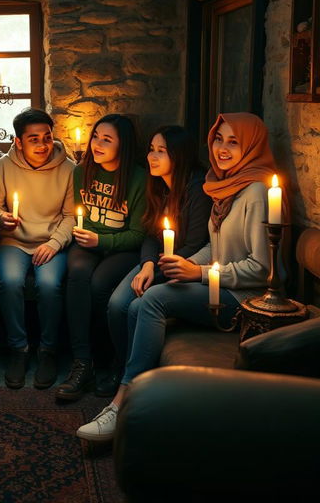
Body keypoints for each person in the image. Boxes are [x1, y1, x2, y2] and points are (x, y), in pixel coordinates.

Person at [77, 112, 283, 442]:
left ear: (253, 145)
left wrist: (194, 271)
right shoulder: (225, 186)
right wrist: (176, 267)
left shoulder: (255, 192)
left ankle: (123, 402)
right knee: (128, 305)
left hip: (245, 299)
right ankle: (138, 392)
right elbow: (211, 248)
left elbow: (262, 268)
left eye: (234, 142)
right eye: (218, 139)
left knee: (152, 299)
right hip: (213, 280)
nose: (222, 148)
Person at [104, 125, 211, 396]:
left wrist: (160, 270)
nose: (152, 156)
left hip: (181, 264)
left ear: (180, 156)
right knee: (117, 304)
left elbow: (196, 245)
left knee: (135, 306)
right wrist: (148, 264)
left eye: (161, 151)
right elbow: (151, 234)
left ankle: (136, 381)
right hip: (156, 262)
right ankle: (120, 366)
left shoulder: (197, 190)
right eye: (151, 149)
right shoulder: (158, 186)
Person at [56, 114, 146, 402]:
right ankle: (82, 363)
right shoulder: (81, 172)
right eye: (96, 136)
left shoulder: (139, 178)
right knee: (78, 275)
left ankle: (109, 361)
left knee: (99, 286)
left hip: (122, 248)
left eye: (107, 139)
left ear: (124, 144)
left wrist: (102, 240)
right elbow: (81, 218)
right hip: (89, 241)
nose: (97, 144)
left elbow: (138, 235)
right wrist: (89, 239)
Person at [0, 107, 75, 389]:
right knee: (10, 282)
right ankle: (19, 349)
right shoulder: (3, 166)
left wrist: (54, 242)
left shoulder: (69, 168)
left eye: (47, 137)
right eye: (34, 139)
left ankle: (48, 350)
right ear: (18, 142)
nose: (42, 145)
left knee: (49, 284)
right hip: (14, 241)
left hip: (52, 242)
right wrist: (1, 219)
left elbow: (72, 215)